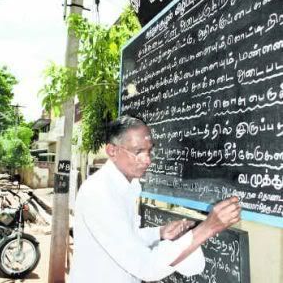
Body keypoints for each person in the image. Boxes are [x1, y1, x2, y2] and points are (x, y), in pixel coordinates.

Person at [69, 116, 241, 283]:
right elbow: (145, 266)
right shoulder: (100, 192)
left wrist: (160, 233)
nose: (148, 160)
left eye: (149, 151)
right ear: (112, 151)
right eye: (138, 152)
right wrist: (208, 228)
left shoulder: (129, 185)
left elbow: (127, 235)